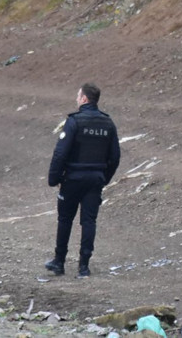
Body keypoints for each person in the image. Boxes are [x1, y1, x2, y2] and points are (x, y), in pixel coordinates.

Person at [45, 83, 121, 278]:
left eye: (78, 96)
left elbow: (60, 153)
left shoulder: (74, 121)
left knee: (65, 219)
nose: (77, 99)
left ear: (85, 99)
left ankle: (59, 262)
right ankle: (84, 267)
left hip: (72, 179)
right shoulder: (108, 123)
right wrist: (104, 178)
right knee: (89, 221)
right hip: (95, 179)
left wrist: (54, 179)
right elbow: (115, 157)